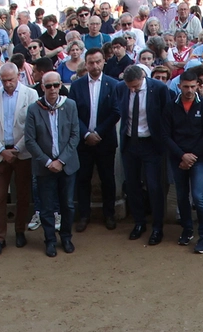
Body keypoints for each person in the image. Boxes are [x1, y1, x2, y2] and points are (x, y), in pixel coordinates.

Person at [23, 70, 80, 257]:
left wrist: (61, 160)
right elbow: (30, 140)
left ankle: (66, 237)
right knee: (46, 207)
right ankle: (49, 240)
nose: (53, 89)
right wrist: (48, 162)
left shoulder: (70, 105)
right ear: (42, 87)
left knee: (68, 205)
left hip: (67, 165)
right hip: (44, 166)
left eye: (56, 85)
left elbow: (74, 135)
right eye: (48, 86)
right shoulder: (34, 109)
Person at [116, 65, 171, 244]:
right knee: (132, 185)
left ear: (143, 77)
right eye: (129, 86)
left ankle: (157, 227)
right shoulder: (120, 88)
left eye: (136, 86)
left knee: (155, 187)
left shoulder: (160, 89)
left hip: (152, 144)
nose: (133, 89)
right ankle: (139, 222)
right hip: (130, 143)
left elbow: (167, 116)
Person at [0, 62, 33, 255]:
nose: (7, 84)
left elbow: (32, 126)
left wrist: (18, 148)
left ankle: (20, 230)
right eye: (3, 80)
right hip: (0, 153)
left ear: (19, 76)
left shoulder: (30, 94)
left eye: (10, 80)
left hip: (22, 152)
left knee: (22, 195)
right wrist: (2, 150)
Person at [70, 47, 120, 233]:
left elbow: (116, 112)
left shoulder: (113, 84)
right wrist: (86, 134)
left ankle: (109, 214)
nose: (95, 65)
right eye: (91, 62)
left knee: (108, 178)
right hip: (83, 142)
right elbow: (73, 113)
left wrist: (98, 133)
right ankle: (84, 215)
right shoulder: (77, 85)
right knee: (83, 179)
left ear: (103, 62)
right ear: (86, 63)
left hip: (105, 140)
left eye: (98, 61)